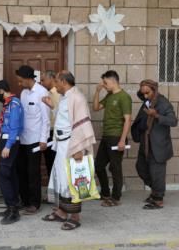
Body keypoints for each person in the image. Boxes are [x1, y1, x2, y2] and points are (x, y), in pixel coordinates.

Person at [43, 71, 96, 230]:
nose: (55, 85)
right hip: (61, 145)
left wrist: (79, 148)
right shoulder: (65, 97)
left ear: (64, 82)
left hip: (72, 146)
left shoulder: (77, 98)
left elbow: (82, 125)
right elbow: (63, 119)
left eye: (57, 82)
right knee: (60, 179)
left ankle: (75, 217)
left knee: (72, 180)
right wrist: (52, 107)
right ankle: (61, 212)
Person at [132, 79, 177, 209]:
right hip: (145, 143)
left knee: (157, 172)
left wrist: (156, 115)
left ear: (154, 90)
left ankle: (158, 199)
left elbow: (173, 121)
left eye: (147, 93)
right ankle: (156, 191)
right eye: (143, 93)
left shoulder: (163, 103)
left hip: (158, 145)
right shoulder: (147, 102)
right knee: (141, 167)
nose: (145, 96)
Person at [92, 70, 132, 207]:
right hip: (106, 136)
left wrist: (122, 140)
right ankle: (105, 193)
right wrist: (97, 92)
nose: (104, 85)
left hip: (117, 137)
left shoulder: (124, 97)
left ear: (113, 81)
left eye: (105, 82)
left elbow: (127, 120)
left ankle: (116, 197)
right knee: (98, 166)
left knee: (115, 168)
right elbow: (96, 107)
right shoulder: (109, 96)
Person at [15, 65, 51, 215]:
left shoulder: (42, 92)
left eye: (20, 80)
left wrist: (43, 139)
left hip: (36, 140)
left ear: (28, 78)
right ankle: (25, 201)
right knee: (21, 171)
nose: (19, 83)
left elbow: (46, 119)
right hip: (23, 139)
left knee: (33, 172)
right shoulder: (23, 93)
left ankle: (35, 203)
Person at [0, 80, 23, 225]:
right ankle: (12, 206)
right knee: (11, 174)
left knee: (4, 176)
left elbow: (15, 126)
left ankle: (13, 210)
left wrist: (8, 146)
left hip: (10, 142)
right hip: (6, 141)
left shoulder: (14, 104)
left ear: (2, 90)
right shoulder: (9, 104)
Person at [40, 70, 61, 202]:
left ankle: (57, 195)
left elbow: (58, 114)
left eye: (43, 80)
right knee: (49, 164)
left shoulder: (57, 94)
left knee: (54, 164)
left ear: (52, 79)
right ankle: (52, 195)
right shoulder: (48, 93)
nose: (42, 82)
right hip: (49, 132)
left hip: (55, 133)